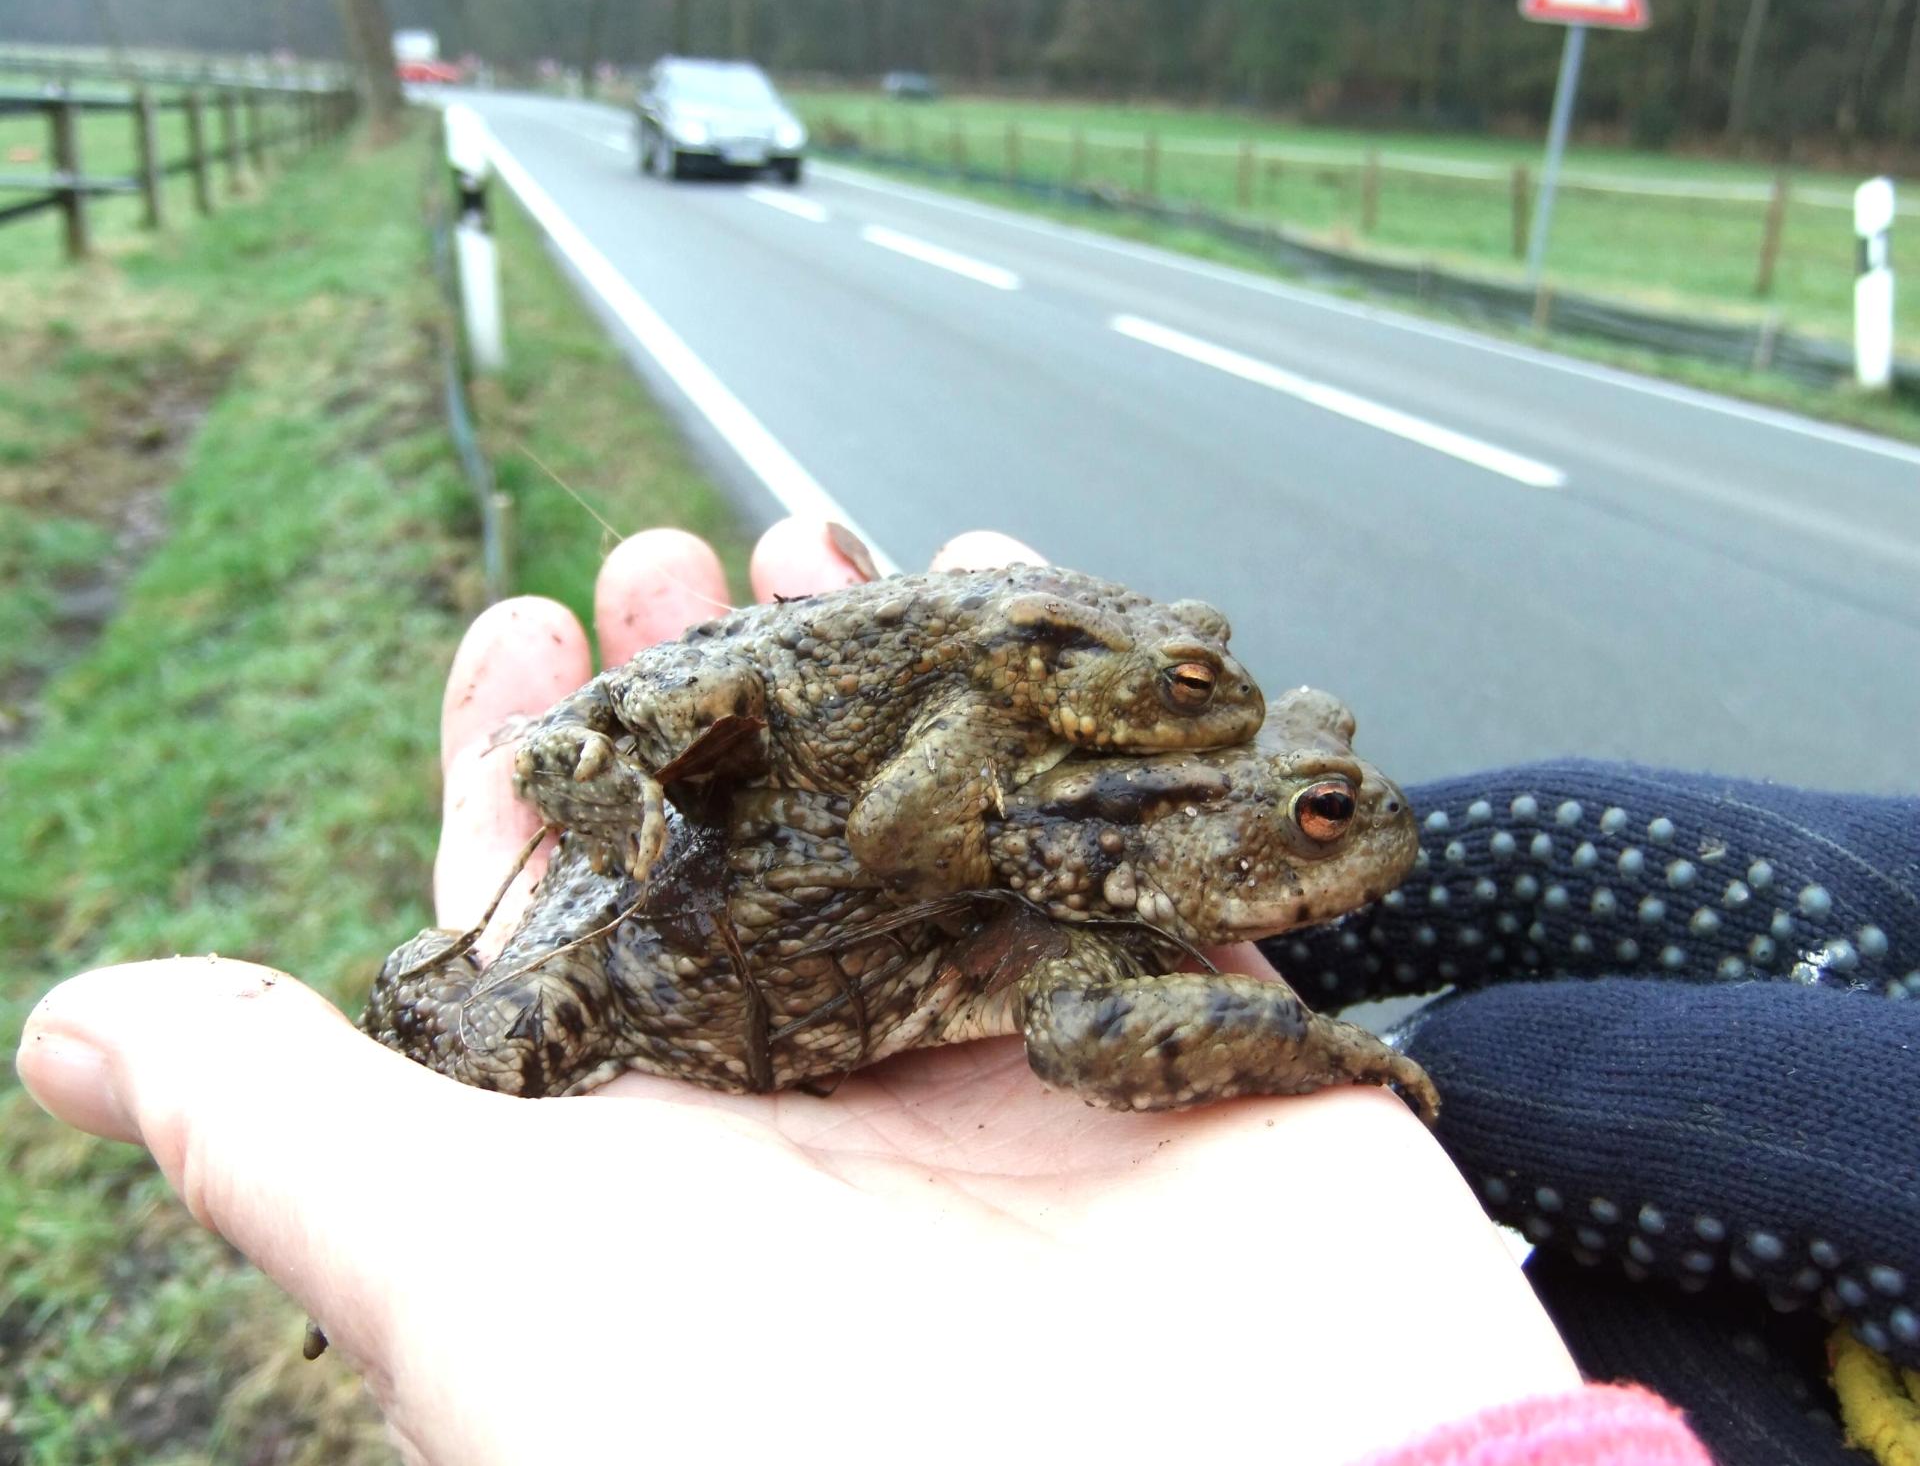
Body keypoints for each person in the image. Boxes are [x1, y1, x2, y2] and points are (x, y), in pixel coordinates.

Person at [16, 519, 1715, 1465]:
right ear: (1176, 846)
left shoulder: (1068, 857)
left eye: (1317, 786)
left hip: (797, 904)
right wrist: (1316, 1037)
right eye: (1318, 818)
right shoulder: (1069, 896)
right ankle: (429, 1003)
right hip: (664, 982)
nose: (1351, 822)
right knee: (504, 1010)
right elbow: (1083, 1023)